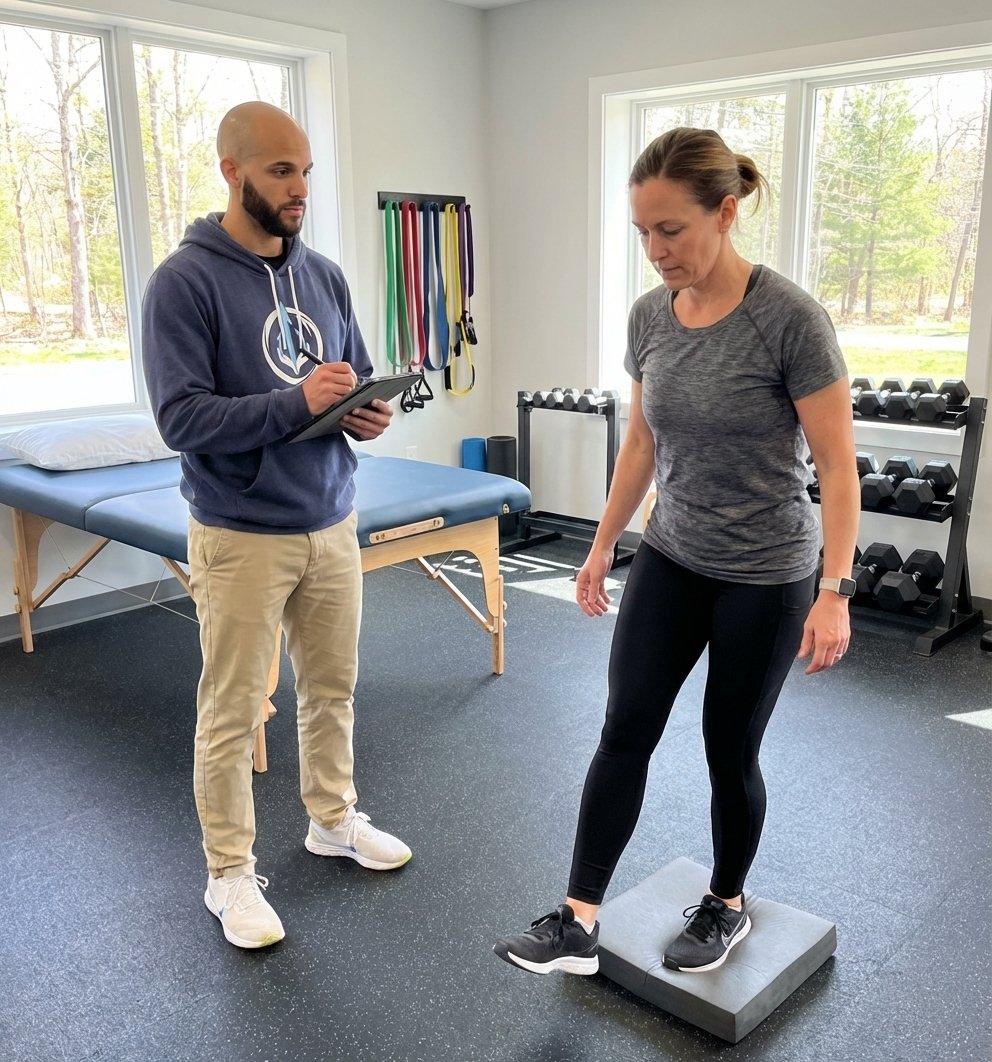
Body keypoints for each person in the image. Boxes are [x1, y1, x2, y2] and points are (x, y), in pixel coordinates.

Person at [494, 127, 859, 976]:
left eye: (672, 231)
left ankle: (727, 903)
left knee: (728, 751)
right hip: (673, 552)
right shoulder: (650, 317)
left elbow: (838, 469)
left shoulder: (790, 321)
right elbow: (641, 445)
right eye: (644, 233)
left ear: (725, 214)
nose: (656, 252)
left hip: (767, 574)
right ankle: (578, 918)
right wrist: (601, 546)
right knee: (624, 731)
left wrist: (834, 590)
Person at [142, 101, 411, 950]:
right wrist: (297, 402)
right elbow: (182, 419)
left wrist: (367, 413)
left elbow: (354, 376)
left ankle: (332, 819)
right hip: (240, 531)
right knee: (234, 708)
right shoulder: (182, 283)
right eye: (281, 172)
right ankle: (228, 873)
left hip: (331, 516)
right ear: (232, 171)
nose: (299, 190)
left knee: (331, 689)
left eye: (305, 172)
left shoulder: (323, 275)